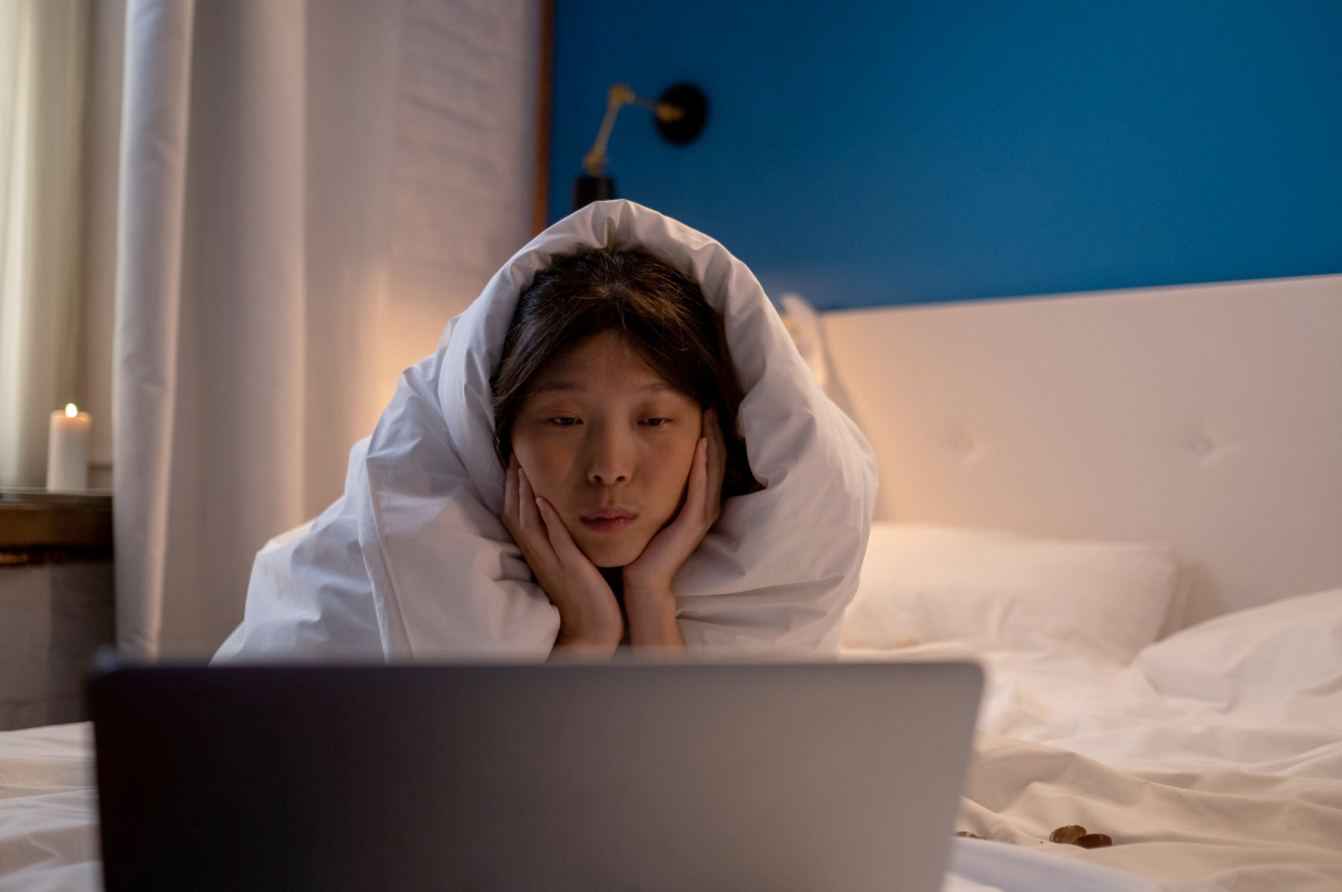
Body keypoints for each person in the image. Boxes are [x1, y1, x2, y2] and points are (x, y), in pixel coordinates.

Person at [213, 199, 876, 663]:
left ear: (714, 432)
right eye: (563, 420)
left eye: (653, 420)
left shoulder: (766, 573)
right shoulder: (407, 541)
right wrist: (587, 635)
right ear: (497, 432)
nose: (610, 466)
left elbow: (693, 786)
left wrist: (650, 599)